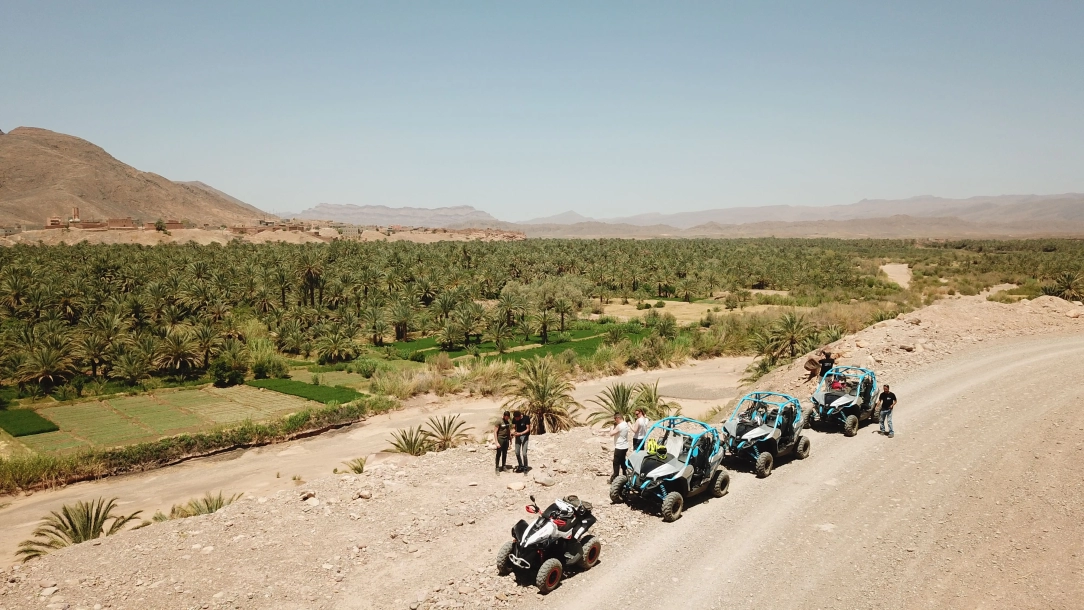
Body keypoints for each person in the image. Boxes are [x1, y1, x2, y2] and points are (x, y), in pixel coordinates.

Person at [610, 413, 630, 483]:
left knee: (616, 463)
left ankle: (615, 478)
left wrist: (611, 428)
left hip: (619, 447)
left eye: (615, 419)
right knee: (623, 462)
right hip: (625, 446)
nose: (615, 421)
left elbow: (611, 434)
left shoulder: (619, 426)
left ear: (618, 418)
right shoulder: (625, 424)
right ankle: (625, 476)